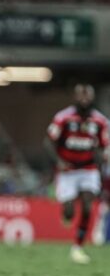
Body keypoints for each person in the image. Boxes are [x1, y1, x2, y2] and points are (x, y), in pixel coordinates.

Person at [46, 84, 109, 264]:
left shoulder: (100, 121)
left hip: (88, 170)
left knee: (88, 206)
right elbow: (48, 142)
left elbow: (104, 147)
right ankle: (66, 212)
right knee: (69, 212)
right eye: (80, 96)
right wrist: (58, 161)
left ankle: (78, 247)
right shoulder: (63, 117)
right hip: (67, 171)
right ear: (75, 98)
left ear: (92, 98)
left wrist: (100, 161)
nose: (84, 100)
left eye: (87, 96)